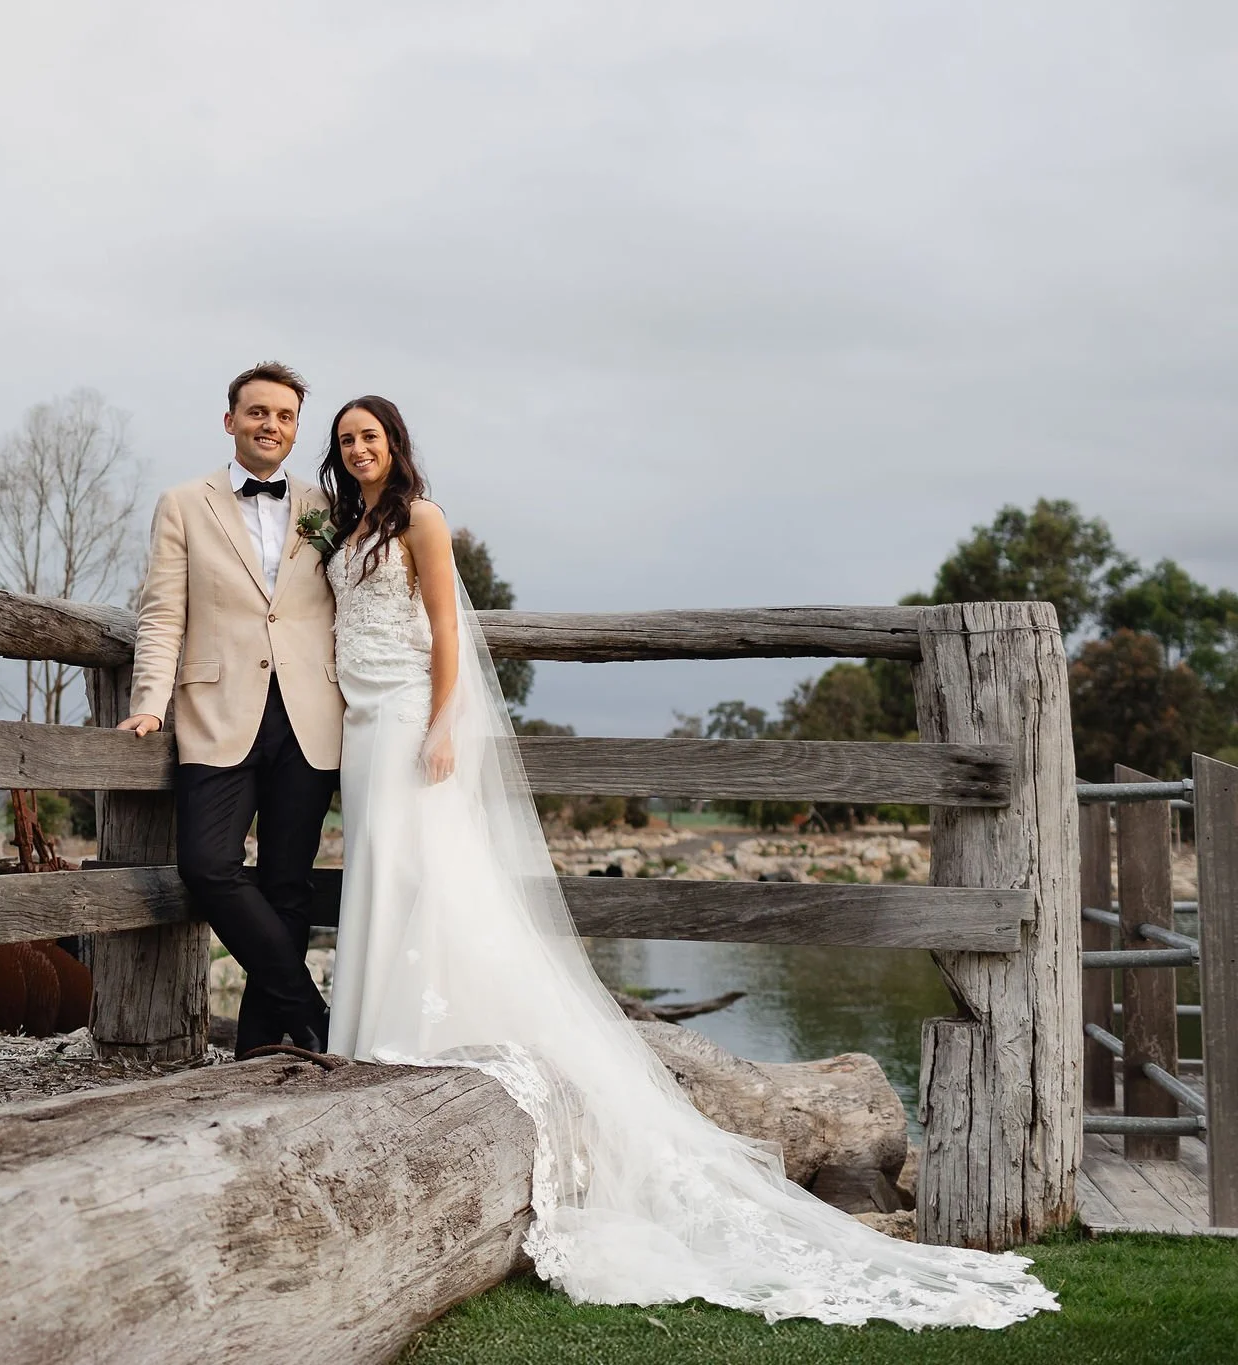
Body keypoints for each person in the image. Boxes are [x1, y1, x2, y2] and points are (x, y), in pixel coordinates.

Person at [316, 393, 1059, 1329]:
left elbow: (447, 628)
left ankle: (425, 1054)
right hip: (359, 725)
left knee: (433, 881)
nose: (358, 448)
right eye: (345, 440)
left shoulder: (421, 519)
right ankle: (377, 1048)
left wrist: (438, 725)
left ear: (395, 444)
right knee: (386, 877)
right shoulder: (343, 527)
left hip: (408, 722)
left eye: (369, 435)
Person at [117, 362, 343, 1058]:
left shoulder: (327, 508)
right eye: (257, 413)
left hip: (310, 715)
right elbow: (162, 614)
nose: (269, 424)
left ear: (296, 428)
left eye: (283, 416)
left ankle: (259, 1050)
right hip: (216, 711)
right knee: (207, 862)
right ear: (231, 420)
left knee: (287, 885)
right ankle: (316, 1016)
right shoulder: (184, 502)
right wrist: (149, 702)